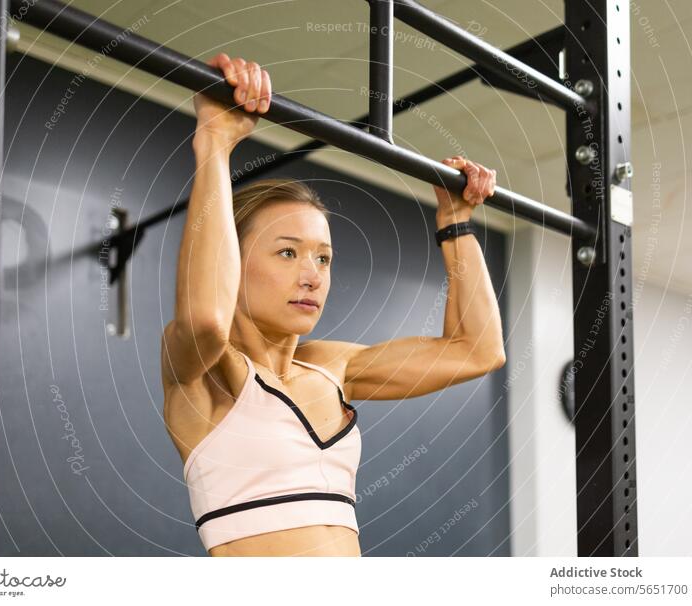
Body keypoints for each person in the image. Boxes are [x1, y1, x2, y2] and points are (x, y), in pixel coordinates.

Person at [160, 53, 505, 556]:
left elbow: (478, 350)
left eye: (323, 258)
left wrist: (455, 222)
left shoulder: (334, 368)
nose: (311, 275)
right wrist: (214, 142)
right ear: (232, 260)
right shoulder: (203, 377)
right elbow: (208, 319)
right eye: (287, 252)